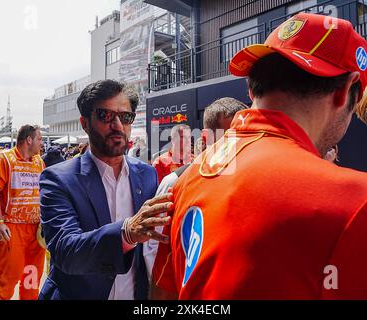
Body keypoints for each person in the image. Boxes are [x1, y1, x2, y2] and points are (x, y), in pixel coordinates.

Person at [153, 13, 367, 299]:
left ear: (251, 86)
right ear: (344, 91)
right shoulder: (357, 200)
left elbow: (162, 293)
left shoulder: (186, 178)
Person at [39, 80, 172, 300]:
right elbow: (65, 251)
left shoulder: (147, 175)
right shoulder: (58, 179)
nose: (118, 125)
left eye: (125, 117)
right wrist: (126, 233)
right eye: (105, 116)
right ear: (85, 123)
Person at [149, 97, 247, 297]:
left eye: (241, 136)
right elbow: (156, 247)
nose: (235, 145)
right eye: (227, 137)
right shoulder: (173, 179)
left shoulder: (250, 177)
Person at [0, 125, 45, 300]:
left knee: (31, 280)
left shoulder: (39, 161)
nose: (41, 143)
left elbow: (45, 192)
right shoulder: (4, 159)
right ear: (29, 140)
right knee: (7, 280)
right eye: (39, 139)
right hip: (12, 229)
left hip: (35, 231)